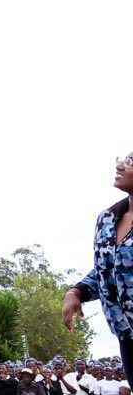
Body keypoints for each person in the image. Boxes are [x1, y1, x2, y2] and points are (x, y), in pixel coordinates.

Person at [65, 152, 133, 374]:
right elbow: (107, 271)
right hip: (125, 333)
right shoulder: (107, 219)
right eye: (122, 160)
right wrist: (77, 292)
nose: (120, 166)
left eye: (130, 162)